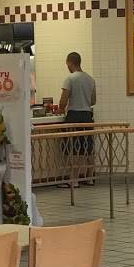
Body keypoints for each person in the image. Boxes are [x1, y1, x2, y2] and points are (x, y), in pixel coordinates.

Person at [60, 52, 97, 185]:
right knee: (88, 147)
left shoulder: (70, 79)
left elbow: (63, 100)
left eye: (67, 64)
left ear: (70, 63)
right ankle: (90, 178)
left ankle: (74, 180)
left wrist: (61, 108)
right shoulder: (90, 79)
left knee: (73, 147)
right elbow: (93, 101)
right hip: (87, 116)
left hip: (74, 116)